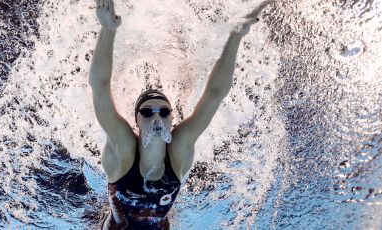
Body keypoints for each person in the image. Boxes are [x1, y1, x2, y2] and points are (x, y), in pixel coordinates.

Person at [88, 0, 272, 229]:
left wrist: (236, 34)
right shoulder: (123, 150)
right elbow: (100, 88)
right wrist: (108, 30)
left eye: (164, 112)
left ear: (172, 120)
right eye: (147, 112)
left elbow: (214, 95)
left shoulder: (178, 147)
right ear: (136, 121)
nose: (156, 118)